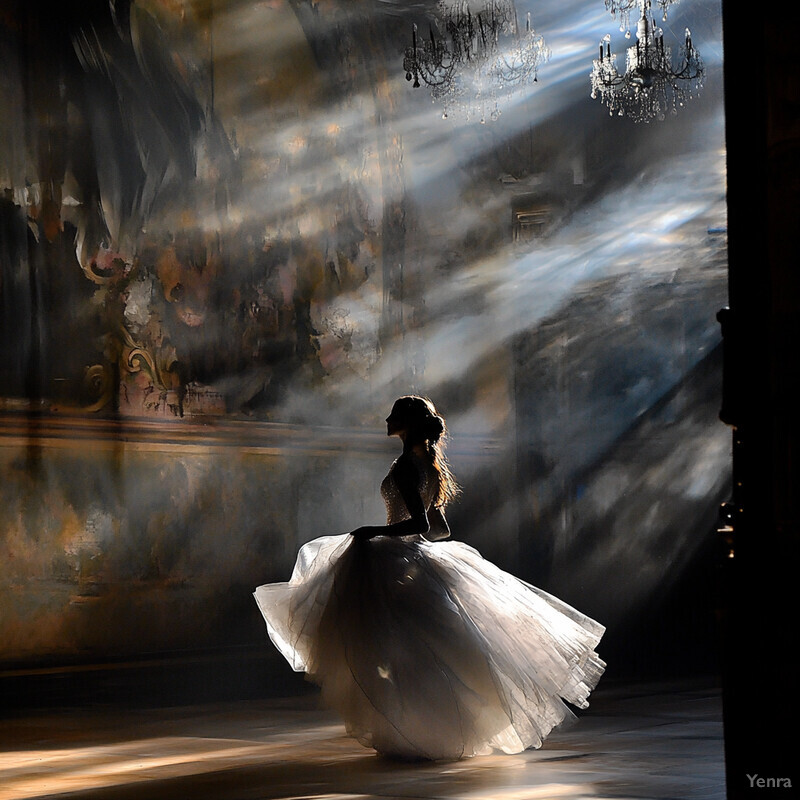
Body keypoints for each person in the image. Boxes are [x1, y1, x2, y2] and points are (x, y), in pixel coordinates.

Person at [254, 395, 605, 761]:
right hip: (410, 555)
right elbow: (439, 530)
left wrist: (371, 531)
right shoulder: (425, 464)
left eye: (394, 414)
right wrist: (412, 542)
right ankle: (420, 729)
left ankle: (414, 729)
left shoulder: (408, 465)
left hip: (397, 557)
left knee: (390, 648)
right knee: (414, 650)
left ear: (406, 423)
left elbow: (422, 524)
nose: (387, 419)